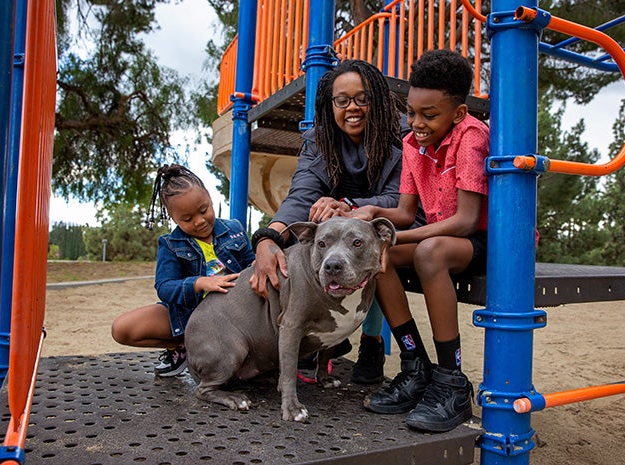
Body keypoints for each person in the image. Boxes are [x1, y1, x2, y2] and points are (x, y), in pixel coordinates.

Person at [249, 59, 417, 385]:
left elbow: (401, 199)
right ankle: (317, 338)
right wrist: (268, 238)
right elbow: (301, 196)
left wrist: (348, 207)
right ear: (331, 104)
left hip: (398, 222)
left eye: (362, 98)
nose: (352, 108)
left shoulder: (402, 134)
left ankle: (375, 342)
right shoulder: (319, 140)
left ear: (378, 99)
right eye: (342, 100)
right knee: (304, 244)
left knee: (369, 248)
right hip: (342, 225)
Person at [351, 49, 489, 432]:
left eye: (429, 115)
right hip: (440, 237)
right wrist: (368, 216)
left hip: (480, 241)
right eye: (411, 112)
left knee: (427, 252)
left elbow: (464, 221)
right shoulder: (413, 143)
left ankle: (452, 381)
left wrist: (393, 233)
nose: (416, 123)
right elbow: (406, 212)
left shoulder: (471, 137)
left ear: (458, 113)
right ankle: (415, 365)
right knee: (379, 254)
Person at [111, 164, 255, 377]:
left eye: (204, 210)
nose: (199, 221)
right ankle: (183, 347)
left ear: (209, 197)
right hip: (191, 317)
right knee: (122, 328)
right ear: (173, 218)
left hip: (235, 316)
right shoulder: (170, 244)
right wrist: (199, 283)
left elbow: (251, 264)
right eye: (187, 219)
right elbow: (165, 287)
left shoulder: (234, 230)